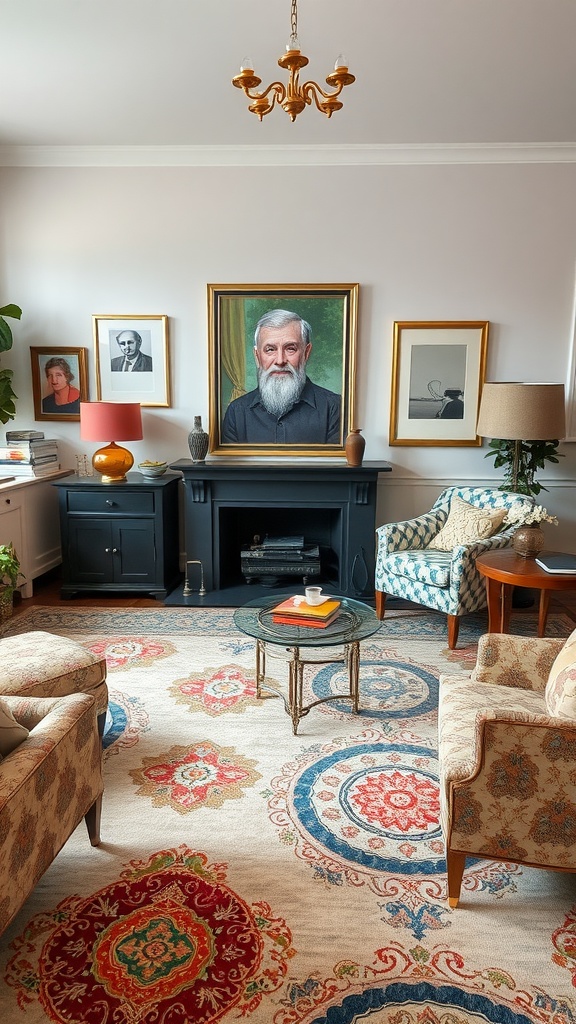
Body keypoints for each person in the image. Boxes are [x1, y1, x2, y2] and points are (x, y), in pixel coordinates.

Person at [221, 309, 341, 444]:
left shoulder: (334, 408)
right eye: (270, 349)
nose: (280, 360)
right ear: (257, 356)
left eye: (290, 348)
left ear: (306, 353)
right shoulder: (237, 412)